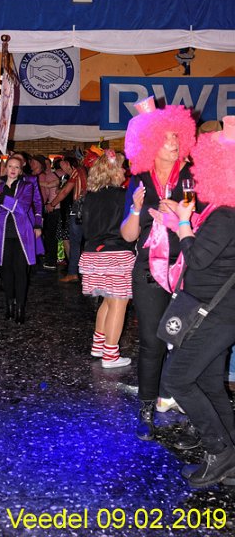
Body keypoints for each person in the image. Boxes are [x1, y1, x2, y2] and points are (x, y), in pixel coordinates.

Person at [152, 116, 235, 487]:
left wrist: (184, 223)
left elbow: (198, 258)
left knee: (178, 379)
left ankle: (219, 451)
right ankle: (231, 455)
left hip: (214, 313)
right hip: (220, 310)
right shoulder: (223, 209)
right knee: (211, 383)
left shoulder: (226, 214)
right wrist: (180, 221)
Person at [120, 96, 196, 441]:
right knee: (151, 341)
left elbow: (204, 225)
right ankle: (147, 406)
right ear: (151, 143)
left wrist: (179, 216)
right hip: (148, 270)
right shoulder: (139, 181)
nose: (173, 143)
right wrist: (137, 210)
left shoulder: (191, 179)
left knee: (184, 340)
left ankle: (184, 400)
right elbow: (128, 235)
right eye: (165, 138)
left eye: (176, 136)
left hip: (186, 268)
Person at [78, 150, 135, 368]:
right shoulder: (123, 195)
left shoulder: (90, 196)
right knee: (119, 303)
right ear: (113, 171)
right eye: (121, 167)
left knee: (107, 300)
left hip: (93, 254)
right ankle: (110, 355)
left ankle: (98, 344)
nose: (124, 171)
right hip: (116, 253)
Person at [0, 156, 42, 324]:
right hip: (3, 235)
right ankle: (9, 306)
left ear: (20, 170)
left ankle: (20, 308)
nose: (13, 169)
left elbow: (23, 208)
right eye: (10, 166)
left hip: (22, 236)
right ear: (5, 168)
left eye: (16, 167)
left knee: (20, 272)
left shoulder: (27, 186)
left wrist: (2, 198)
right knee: (6, 272)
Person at [46, 154, 87, 283]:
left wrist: (52, 204)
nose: (61, 166)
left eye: (63, 163)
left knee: (75, 242)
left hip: (78, 208)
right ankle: (81, 272)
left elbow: (64, 192)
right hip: (86, 208)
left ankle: (73, 272)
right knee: (80, 242)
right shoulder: (82, 171)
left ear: (68, 164)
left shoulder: (77, 171)